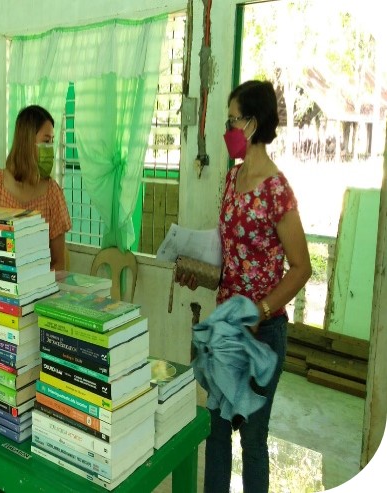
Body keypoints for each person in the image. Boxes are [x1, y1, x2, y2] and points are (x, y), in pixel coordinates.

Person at [180, 80, 311, 493]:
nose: (228, 130)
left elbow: (301, 267)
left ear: (252, 124)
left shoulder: (276, 189)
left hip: (261, 334)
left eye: (232, 120)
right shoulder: (233, 178)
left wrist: (262, 310)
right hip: (225, 329)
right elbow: (231, 259)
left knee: (252, 438)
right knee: (216, 431)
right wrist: (196, 269)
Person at [0, 105, 72, 270]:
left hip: (40, 289)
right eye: (46, 141)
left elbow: (59, 263)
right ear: (26, 142)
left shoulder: (52, 192)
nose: (51, 149)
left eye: (52, 141)